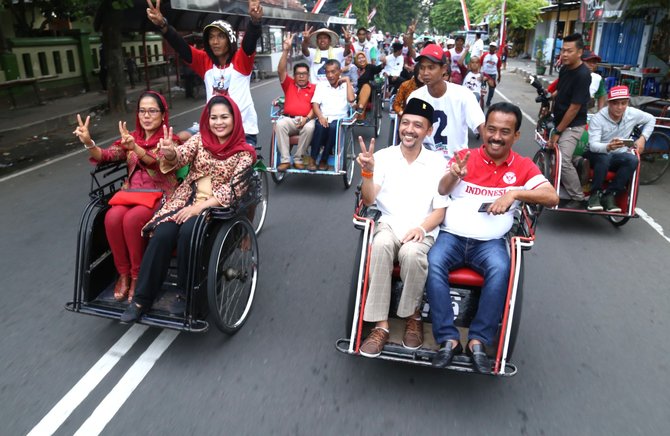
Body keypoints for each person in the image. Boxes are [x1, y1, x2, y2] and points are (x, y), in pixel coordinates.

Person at [426, 102, 559, 372]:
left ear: (516, 136)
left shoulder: (522, 167)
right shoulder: (464, 156)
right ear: (484, 129)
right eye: (491, 129)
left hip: (490, 244)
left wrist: (514, 193)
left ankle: (478, 339)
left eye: (505, 132)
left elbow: (552, 197)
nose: (496, 137)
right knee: (433, 262)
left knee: (501, 269)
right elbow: (441, 189)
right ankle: (448, 339)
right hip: (451, 236)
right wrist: (453, 175)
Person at [120, 95, 256, 323]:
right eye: (213, 117)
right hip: (186, 198)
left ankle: (187, 293)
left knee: (188, 233)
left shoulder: (244, 153)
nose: (218, 122)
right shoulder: (200, 139)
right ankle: (141, 300)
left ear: (235, 120)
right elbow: (180, 157)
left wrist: (200, 208)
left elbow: (235, 189)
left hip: (216, 206)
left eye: (224, 117)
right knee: (162, 234)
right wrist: (170, 152)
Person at [355, 98, 450, 357]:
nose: (410, 129)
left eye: (418, 125)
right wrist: (367, 173)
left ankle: (412, 315)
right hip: (389, 222)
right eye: (405, 123)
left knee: (411, 254)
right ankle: (381, 325)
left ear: (428, 131)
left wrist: (421, 227)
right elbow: (369, 200)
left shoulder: (438, 163)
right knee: (382, 245)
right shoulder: (383, 157)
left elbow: (440, 211)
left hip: (423, 228)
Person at [73, 91, 181, 302]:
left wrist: (135, 148)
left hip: (160, 196)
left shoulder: (170, 140)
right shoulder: (131, 137)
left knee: (132, 220)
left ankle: (137, 276)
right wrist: (88, 142)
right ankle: (123, 275)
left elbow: (156, 161)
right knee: (112, 217)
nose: (146, 116)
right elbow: (105, 156)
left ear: (163, 114)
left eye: (152, 111)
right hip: (132, 195)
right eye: (142, 111)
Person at [146, 0, 263, 145]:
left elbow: (250, 41)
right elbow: (181, 46)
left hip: (243, 132)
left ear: (230, 39)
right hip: (213, 129)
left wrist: (255, 20)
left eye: (220, 36)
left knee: (233, 165)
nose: (214, 42)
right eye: (211, 37)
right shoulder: (205, 62)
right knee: (176, 140)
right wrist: (162, 24)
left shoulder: (241, 61)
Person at [407, 44, 485, 161]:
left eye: (431, 67)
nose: (425, 72)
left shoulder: (464, 95)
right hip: (424, 162)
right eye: (422, 68)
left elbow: (482, 127)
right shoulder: (415, 97)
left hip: (457, 162)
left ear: (444, 69)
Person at [585, 86, 655, 212]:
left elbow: (651, 119)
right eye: (616, 104)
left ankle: (610, 194)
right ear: (609, 103)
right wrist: (607, 146)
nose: (620, 107)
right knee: (604, 157)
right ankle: (594, 194)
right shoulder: (598, 118)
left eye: (623, 103)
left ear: (627, 103)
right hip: (596, 154)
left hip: (617, 154)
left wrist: (643, 138)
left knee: (632, 160)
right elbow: (594, 145)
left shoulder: (632, 113)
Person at [548, 33, 592, 208]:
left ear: (580, 52)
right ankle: (579, 162)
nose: (564, 54)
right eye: (563, 50)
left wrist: (559, 130)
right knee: (554, 152)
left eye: (569, 51)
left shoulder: (583, 75)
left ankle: (578, 196)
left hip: (573, 124)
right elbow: (561, 89)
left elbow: (574, 107)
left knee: (563, 158)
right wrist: (551, 97)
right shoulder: (565, 67)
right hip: (560, 118)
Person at [276, 32, 316, 171]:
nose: (301, 76)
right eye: (298, 74)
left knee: (310, 127)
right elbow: (280, 70)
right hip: (290, 120)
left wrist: (307, 118)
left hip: (307, 120)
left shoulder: (314, 88)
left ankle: (299, 158)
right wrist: (286, 50)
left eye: (304, 74)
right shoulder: (289, 84)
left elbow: (315, 107)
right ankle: (285, 160)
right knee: (279, 124)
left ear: (308, 75)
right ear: (294, 75)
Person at [308, 59, 355, 171]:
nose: (330, 75)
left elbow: (351, 99)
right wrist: (320, 117)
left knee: (334, 127)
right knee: (319, 126)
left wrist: (347, 81)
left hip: (340, 119)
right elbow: (315, 104)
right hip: (324, 117)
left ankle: (324, 159)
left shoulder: (346, 86)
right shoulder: (321, 85)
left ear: (339, 71)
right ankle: (312, 159)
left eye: (333, 72)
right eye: (328, 72)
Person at [352, 51, 385, 121]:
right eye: (359, 58)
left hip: (369, 93)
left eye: (363, 57)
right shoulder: (354, 69)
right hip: (356, 93)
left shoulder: (369, 67)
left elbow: (378, 68)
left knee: (366, 86)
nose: (361, 60)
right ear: (356, 60)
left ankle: (360, 108)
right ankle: (360, 116)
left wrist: (383, 63)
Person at [481, 42, 502, 107]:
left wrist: (499, 76)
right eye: (491, 46)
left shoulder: (497, 57)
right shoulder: (484, 55)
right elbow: (479, 63)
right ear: (489, 47)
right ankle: (481, 100)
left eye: (493, 47)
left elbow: (498, 67)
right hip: (484, 74)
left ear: (495, 48)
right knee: (482, 88)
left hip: (492, 75)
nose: (492, 48)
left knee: (491, 90)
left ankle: (488, 102)